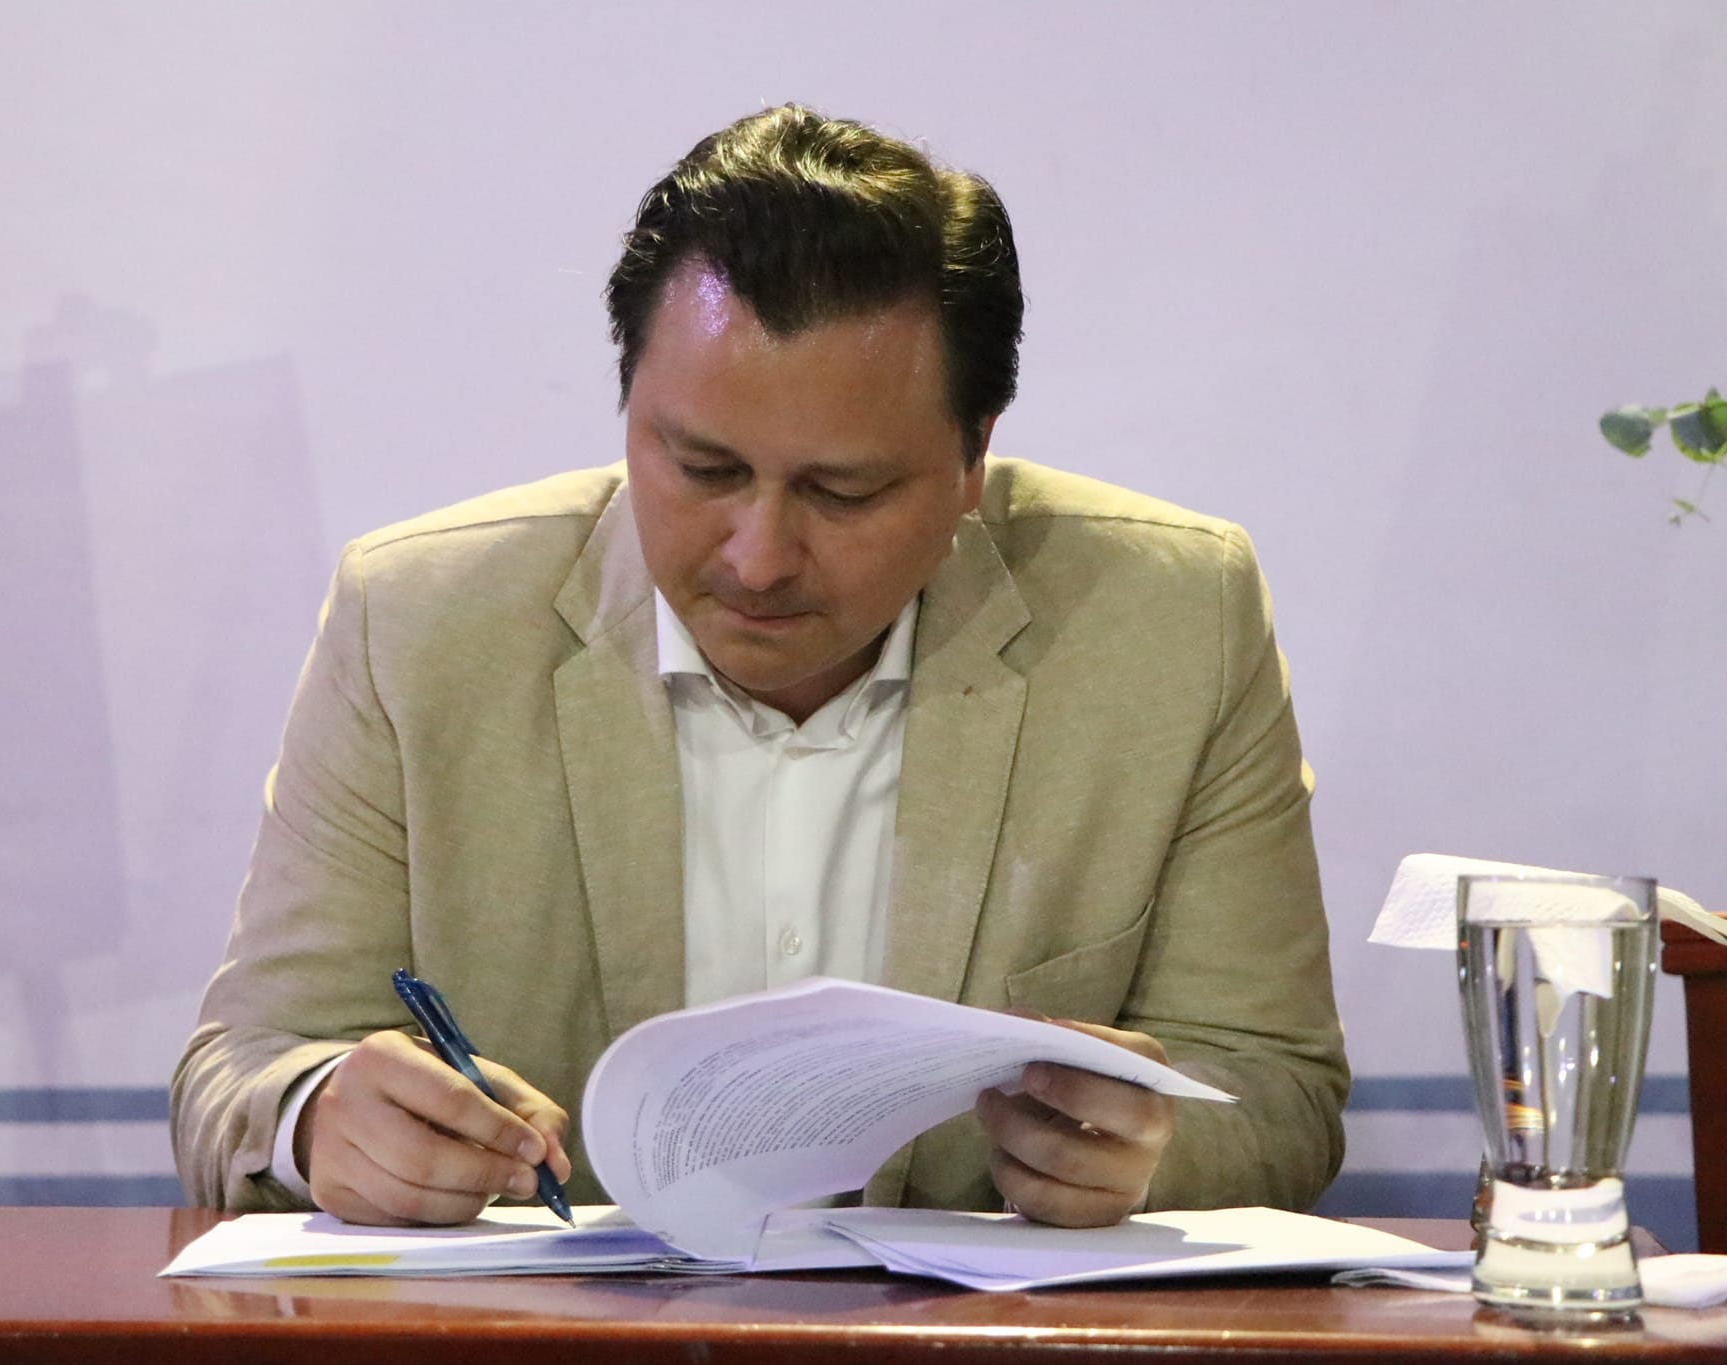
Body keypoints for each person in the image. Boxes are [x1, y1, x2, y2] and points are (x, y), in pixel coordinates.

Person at [171, 105, 1349, 1229]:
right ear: (629, 409)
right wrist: (320, 1116)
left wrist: (1150, 1150)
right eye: (702, 470)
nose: (758, 555)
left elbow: (1275, 1088)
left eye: (844, 492)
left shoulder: (1169, 620)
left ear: (972, 458)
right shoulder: (420, 622)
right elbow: (241, 1069)